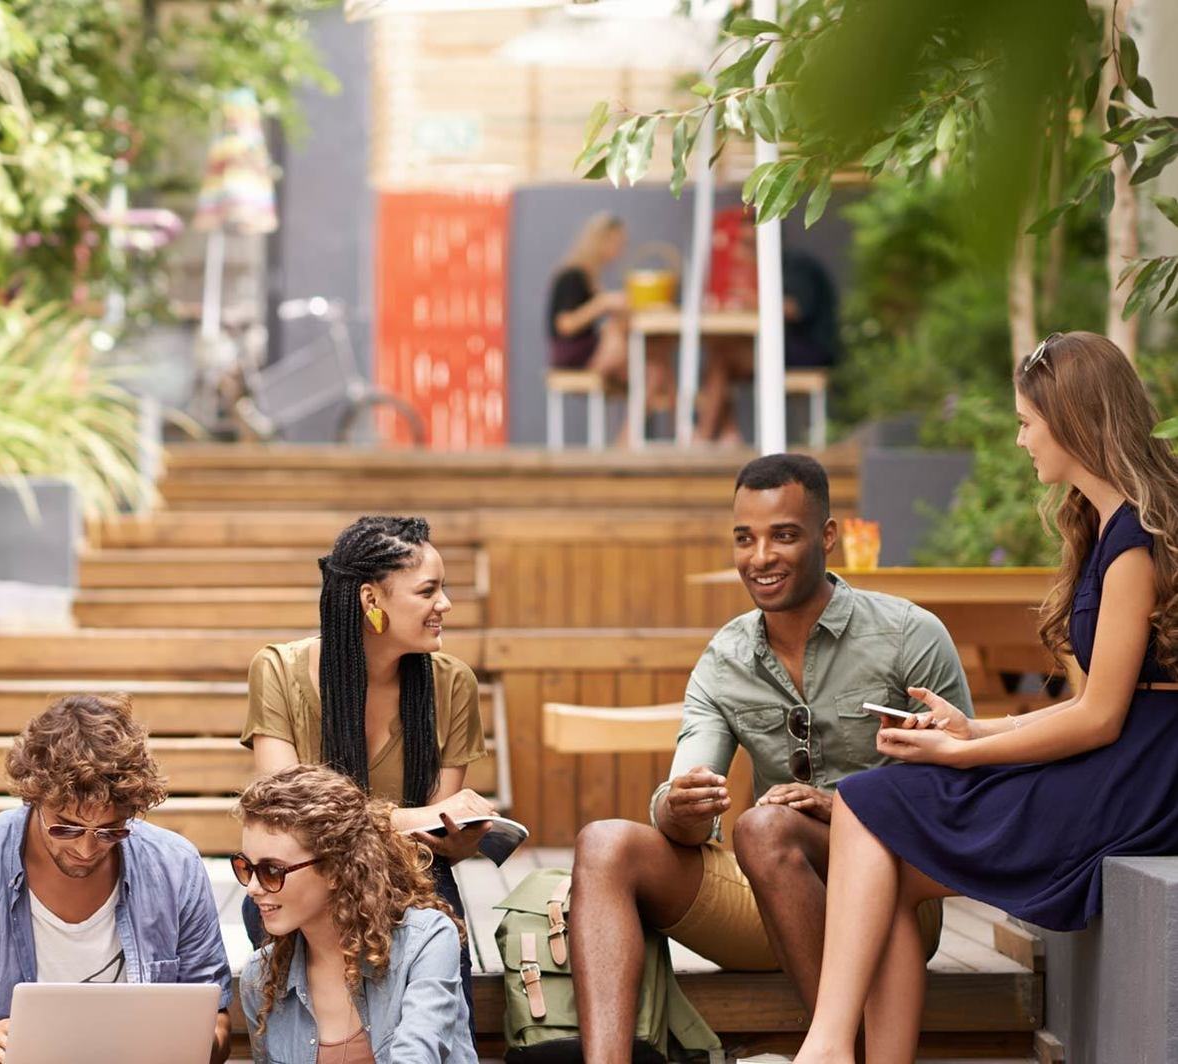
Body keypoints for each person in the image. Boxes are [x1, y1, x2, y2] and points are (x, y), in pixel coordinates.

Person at [793, 331, 1178, 1064]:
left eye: (1028, 422)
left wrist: (964, 754)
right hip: (1125, 762)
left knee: (876, 801)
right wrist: (971, 729)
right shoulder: (1106, 529)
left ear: (1072, 420)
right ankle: (840, 1047)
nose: (1020, 438)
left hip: (1136, 782)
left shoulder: (1134, 545)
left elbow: (1100, 719)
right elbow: (1096, 702)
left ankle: (826, 1048)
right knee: (888, 872)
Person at [570, 453, 971, 1062]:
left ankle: (838, 1049)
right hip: (772, 901)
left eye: (783, 534)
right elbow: (685, 798)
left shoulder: (908, 636)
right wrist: (679, 808)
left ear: (827, 536)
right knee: (604, 844)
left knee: (764, 825)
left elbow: (962, 790)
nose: (761, 558)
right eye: (745, 539)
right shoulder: (723, 658)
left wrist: (842, 808)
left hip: (893, 907)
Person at [240, 515, 490, 1036]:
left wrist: (460, 834)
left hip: (410, 875)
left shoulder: (452, 684)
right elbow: (285, 818)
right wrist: (416, 816)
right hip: (305, 874)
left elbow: (434, 843)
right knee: (268, 902)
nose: (444, 605)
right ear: (372, 600)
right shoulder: (280, 671)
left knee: (438, 922)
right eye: (428, 591)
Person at [0, 693, 233, 1064]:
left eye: (110, 831)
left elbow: (217, 1021)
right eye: (66, 829)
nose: (86, 849)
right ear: (33, 797)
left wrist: (186, 1040)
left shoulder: (175, 867)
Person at [237, 764, 477, 1064]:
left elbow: (417, 1057)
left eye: (272, 870)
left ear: (335, 869)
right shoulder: (260, 978)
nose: (253, 888)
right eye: (245, 867)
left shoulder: (426, 941)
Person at [546, 212, 675, 436]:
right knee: (619, 334)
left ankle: (632, 438)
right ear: (601, 241)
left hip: (593, 353)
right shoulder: (572, 276)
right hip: (573, 355)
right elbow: (564, 325)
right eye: (617, 243)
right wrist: (603, 303)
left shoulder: (591, 277)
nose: (620, 250)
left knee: (655, 367)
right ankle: (676, 425)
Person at [696, 247, 841, 445]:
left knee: (723, 356)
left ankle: (707, 434)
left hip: (808, 350)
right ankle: (726, 434)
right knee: (721, 355)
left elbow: (794, 309)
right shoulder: (776, 268)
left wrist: (752, 301)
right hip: (784, 348)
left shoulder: (795, 266)